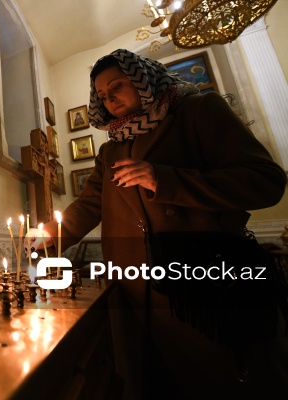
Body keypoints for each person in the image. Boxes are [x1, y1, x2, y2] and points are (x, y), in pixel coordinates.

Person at [26, 49, 288, 399]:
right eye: (102, 95)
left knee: (228, 379)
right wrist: (49, 237)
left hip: (200, 285)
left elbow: (265, 180)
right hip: (136, 290)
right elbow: (90, 204)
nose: (110, 98)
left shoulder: (198, 111)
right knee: (156, 382)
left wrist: (164, 180)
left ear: (142, 79)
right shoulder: (111, 151)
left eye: (117, 86)